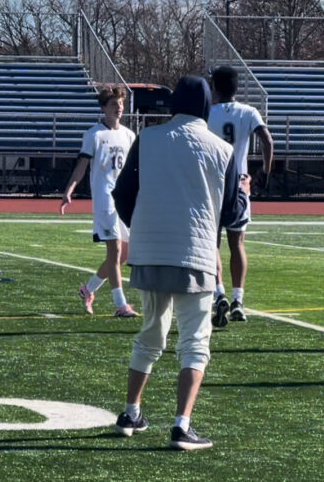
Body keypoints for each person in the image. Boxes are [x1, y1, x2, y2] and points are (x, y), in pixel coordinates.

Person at [111, 76, 249, 450]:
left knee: (151, 335)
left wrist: (141, 224)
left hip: (151, 252)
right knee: (195, 343)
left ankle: (130, 411)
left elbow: (122, 194)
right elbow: (232, 213)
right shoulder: (222, 149)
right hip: (197, 255)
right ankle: (181, 424)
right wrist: (242, 192)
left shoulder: (148, 138)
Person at [60, 86, 138, 318]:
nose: (119, 108)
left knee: (124, 255)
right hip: (106, 198)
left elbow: (134, 169)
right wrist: (69, 191)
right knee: (114, 250)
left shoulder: (129, 135)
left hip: (125, 199)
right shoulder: (94, 134)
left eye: (121, 104)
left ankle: (88, 289)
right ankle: (120, 304)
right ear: (104, 108)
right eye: (114, 104)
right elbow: (81, 167)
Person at [207, 66, 274, 326]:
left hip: (214, 183)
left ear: (215, 87)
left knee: (212, 243)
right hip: (239, 184)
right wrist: (265, 173)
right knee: (238, 244)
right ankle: (238, 300)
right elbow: (267, 141)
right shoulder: (249, 111)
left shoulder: (207, 113)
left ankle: (218, 292)